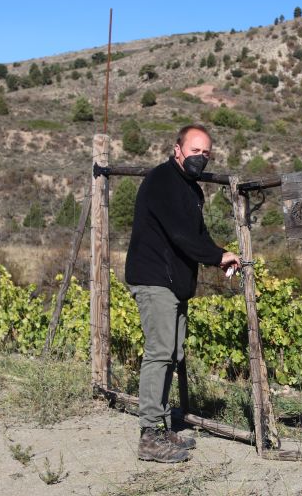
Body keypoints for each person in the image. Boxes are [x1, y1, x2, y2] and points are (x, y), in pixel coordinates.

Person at [125, 124, 240, 463]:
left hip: (172, 282)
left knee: (171, 353)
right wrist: (216, 256)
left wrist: (217, 254)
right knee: (160, 352)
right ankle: (150, 436)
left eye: (206, 153)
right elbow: (179, 234)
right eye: (195, 151)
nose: (200, 158)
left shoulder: (190, 190)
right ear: (177, 149)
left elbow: (197, 235)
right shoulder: (162, 180)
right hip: (154, 278)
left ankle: (160, 426)